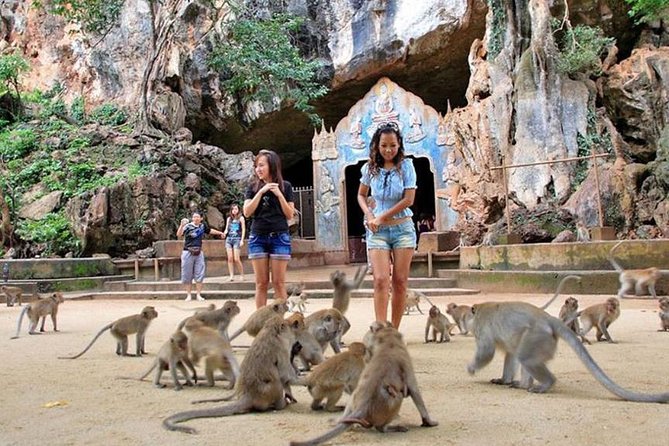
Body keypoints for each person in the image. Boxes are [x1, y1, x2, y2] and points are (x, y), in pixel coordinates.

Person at [357, 122, 417, 329]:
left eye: (392, 145)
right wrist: (369, 213)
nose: (388, 150)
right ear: (377, 146)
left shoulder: (406, 167)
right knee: (381, 279)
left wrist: (382, 217)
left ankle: (395, 330)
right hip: (377, 232)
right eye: (384, 146)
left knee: (400, 281)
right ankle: (380, 329)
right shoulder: (369, 168)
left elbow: (409, 199)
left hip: (403, 230)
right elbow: (361, 194)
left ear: (399, 144)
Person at [243, 149, 295, 308]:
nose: (258, 169)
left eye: (261, 165)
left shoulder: (286, 186)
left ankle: (282, 322)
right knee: (261, 283)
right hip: (258, 237)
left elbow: (290, 214)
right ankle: (261, 322)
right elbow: (246, 212)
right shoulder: (252, 187)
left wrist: (279, 194)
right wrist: (261, 192)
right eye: (256, 166)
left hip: (279, 237)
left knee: (278, 283)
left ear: (271, 166)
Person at [177, 211, 225, 301]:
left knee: (199, 273)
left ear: (201, 218)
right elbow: (179, 234)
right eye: (194, 217)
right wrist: (181, 225)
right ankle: (189, 295)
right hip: (187, 251)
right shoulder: (188, 226)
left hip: (198, 252)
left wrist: (220, 233)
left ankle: (198, 294)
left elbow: (210, 231)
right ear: (192, 218)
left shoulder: (202, 226)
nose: (196, 218)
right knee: (187, 273)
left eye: (198, 217)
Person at [222, 203, 246, 282]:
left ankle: (242, 275)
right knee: (230, 258)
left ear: (238, 210)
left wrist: (242, 240)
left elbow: (243, 230)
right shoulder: (229, 219)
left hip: (237, 239)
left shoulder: (241, 218)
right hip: (229, 239)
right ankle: (231, 275)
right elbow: (226, 229)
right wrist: (224, 233)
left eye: (236, 209)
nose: (234, 211)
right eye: (233, 209)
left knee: (236, 258)